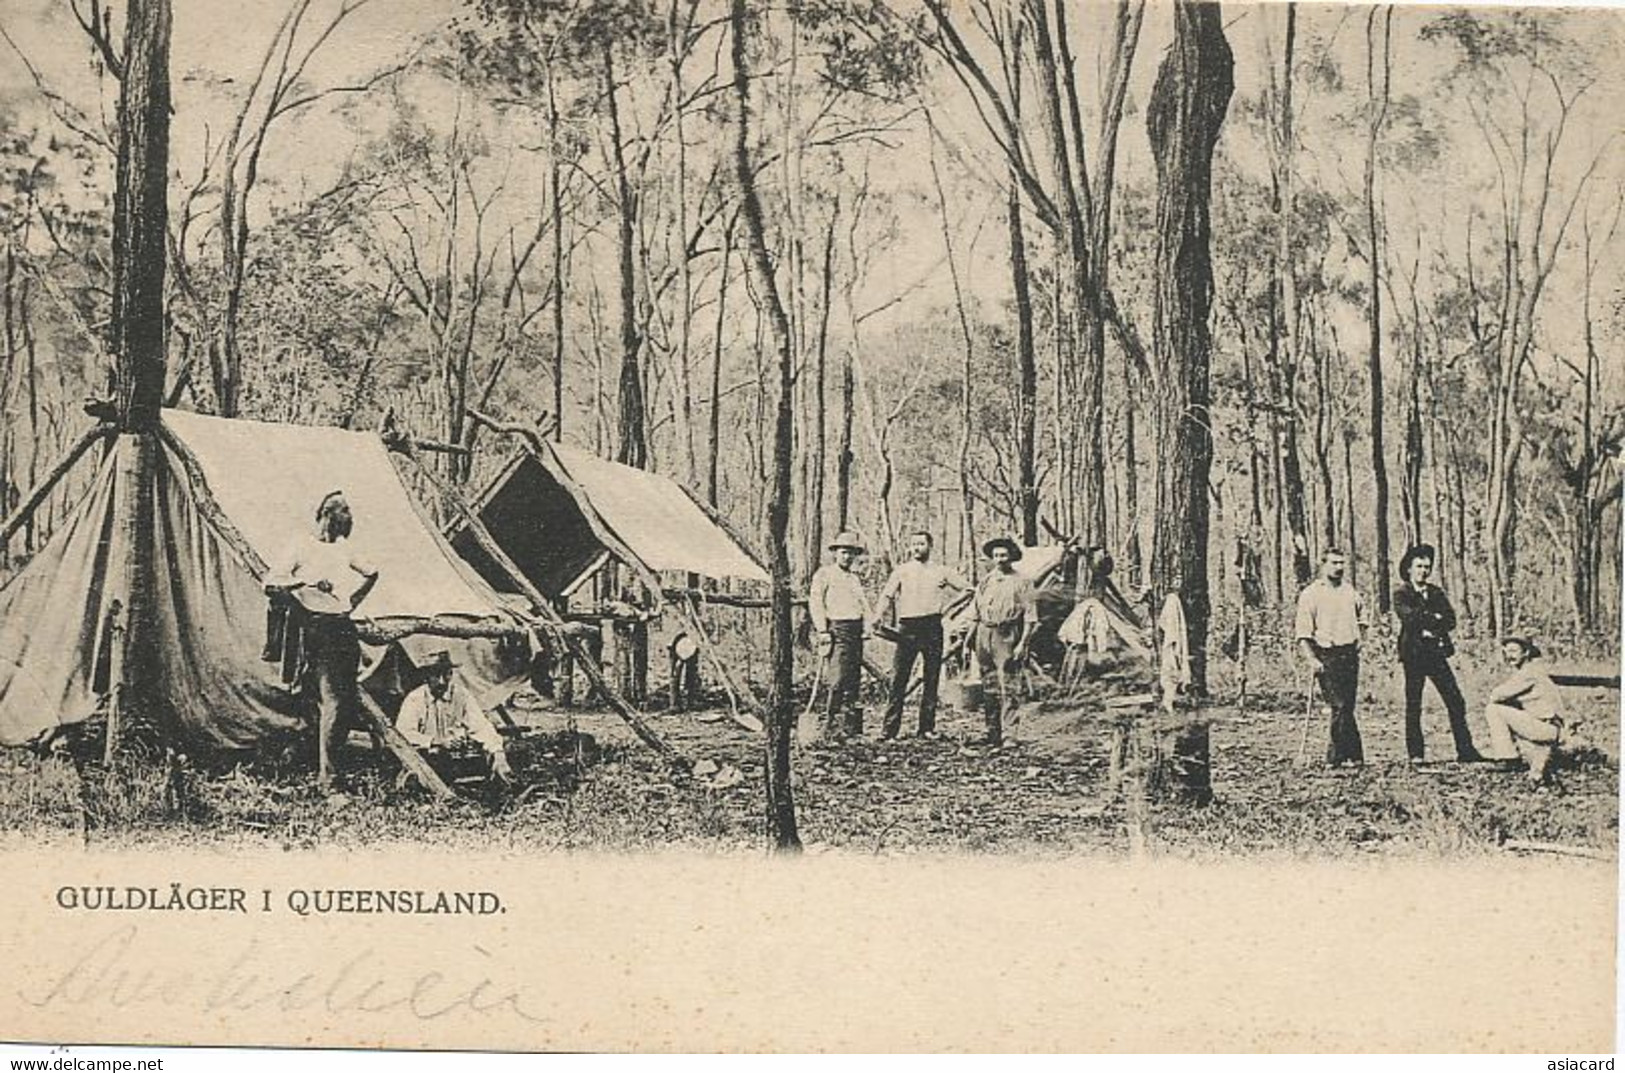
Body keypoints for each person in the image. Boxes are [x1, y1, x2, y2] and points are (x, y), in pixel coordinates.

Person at [266, 490, 380, 792]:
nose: (349, 517)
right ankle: (329, 780)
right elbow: (271, 581)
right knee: (328, 700)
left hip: (341, 626)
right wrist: (308, 584)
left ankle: (326, 772)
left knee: (342, 702)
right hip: (313, 628)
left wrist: (351, 601)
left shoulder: (344, 549)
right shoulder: (302, 545)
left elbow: (373, 572)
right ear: (327, 514)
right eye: (344, 511)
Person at [876, 530, 969, 740]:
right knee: (899, 678)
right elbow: (887, 595)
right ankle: (889, 730)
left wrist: (948, 607)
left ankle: (926, 728)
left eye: (921, 543)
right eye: (913, 544)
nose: (917, 548)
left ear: (930, 545)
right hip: (907, 626)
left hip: (932, 626)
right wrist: (877, 616)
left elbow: (968, 589)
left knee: (931, 678)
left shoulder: (941, 571)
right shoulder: (902, 571)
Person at [1393, 544, 1481, 762]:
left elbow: (1450, 620)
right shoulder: (1401, 593)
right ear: (1409, 570)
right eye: (1419, 566)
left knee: (1455, 700)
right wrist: (1434, 618)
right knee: (1414, 703)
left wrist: (1429, 621)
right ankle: (1416, 754)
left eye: (1427, 567)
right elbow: (1409, 619)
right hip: (1413, 655)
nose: (1423, 571)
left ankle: (1466, 751)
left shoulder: (1436, 592)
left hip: (1436, 653)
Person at [1294, 547, 1367, 767]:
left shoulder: (1349, 591)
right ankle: (1334, 758)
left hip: (1349, 654)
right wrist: (1312, 660)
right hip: (1326, 655)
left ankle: (1355, 756)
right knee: (1339, 705)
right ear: (1323, 565)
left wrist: (1362, 638)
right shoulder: (1311, 594)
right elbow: (1303, 633)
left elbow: (1363, 617)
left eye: (1342, 563)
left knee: (1347, 706)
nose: (1339, 567)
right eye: (1334, 563)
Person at [396, 650, 512, 784]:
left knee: (492, 764)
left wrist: (498, 752)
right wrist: (436, 741)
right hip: (427, 760)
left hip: (457, 759)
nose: (441, 681)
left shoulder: (462, 695)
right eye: (435, 675)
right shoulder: (415, 699)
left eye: (446, 674)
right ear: (426, 677)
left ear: (451, 674)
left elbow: (481, 726)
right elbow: (402, 733)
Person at [968, 536, 1037, 747]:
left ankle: (1010, 735)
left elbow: (1031, 617)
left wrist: (1022, 644)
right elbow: (975, 612)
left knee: (1008, 685)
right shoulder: (986, 580)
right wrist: (968, 641)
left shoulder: (1023, 581)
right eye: (996, 555)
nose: (999, 559)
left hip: (1007, 634)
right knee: (989, 684)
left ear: (1011, 557)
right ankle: (992, 732)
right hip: (984, 633)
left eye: (1004, 555)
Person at [808, 531, 872, 739]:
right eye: (844, 552)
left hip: (855, 629)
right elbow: (816, 603)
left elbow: (863, 605)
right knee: (837, 679)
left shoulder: (854, 578)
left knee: (853, 679)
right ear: (835, 553)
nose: (847, 557)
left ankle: (850, 729)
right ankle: (830, 727)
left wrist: (868, 626)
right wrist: (822, 630)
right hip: (837, 629)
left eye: (851, 554)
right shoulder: (824, 574)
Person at [1482, 636, 1566, 784]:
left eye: (1514, 651)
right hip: (1547, 727)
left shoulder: (1529, 672)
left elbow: (1496, 695)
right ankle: (1517, 755)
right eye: (1506, 651)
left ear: (1526, 652)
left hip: (1548, 728)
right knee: (1504, 707)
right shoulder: (1530, 670)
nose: (1509, 655)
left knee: (1493, 710)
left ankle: (1508, 758)